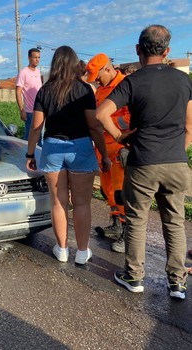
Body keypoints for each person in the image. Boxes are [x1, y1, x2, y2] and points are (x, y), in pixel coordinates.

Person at [96, 25, 192, 299]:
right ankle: (177, 282)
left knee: (137, 220)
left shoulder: (132, 82)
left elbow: (102, 113)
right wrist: (177, 150)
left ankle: (134, 276)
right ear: (168, 51)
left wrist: (121, 136)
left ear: (138, 50)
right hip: (175, 162)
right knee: (174, 222)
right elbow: (190, 125)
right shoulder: (183, 81)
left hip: (143, 162)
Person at [26, 46, 110, 265]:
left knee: (58, 203)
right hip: (81, 147)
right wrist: (104, 155)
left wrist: (30, 153)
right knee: (82, 204)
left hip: (53, 148)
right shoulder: (84, 90)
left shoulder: (45, 90)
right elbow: (94, 126)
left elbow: (36, 127)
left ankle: (62, 249)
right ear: (74, 64)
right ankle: (82, 252)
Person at [86, 53, 131, 253]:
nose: (95, 79)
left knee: (122, 193)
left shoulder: (125, 86)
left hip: (119, 146)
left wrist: (108, 124)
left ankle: (128, 234)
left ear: (107, 68)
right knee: (108, 190)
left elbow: (131, 119)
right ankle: (116, 223)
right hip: (103, 147)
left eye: (97, 75)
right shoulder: (101, 90)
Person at [16, 48, 42, 145]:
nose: (37, 60)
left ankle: (38, 159)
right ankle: (27, 158)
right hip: (30, 112)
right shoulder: (23, 73)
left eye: (38, 57)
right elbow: (18, 91)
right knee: (29, 138)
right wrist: (21, 110)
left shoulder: (38, 72)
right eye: (35, 57)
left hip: (40, 111)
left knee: (40, 138)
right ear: (29, 58)